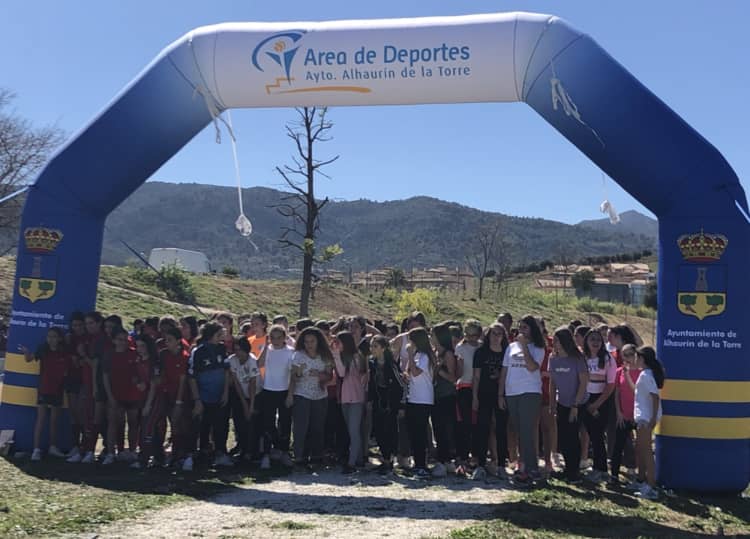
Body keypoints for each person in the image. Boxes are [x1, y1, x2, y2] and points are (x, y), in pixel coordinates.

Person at [499, 315, 546, 484]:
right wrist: (501, 393)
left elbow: (533, 367)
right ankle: (523, 464)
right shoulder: (511, 347)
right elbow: (504, 371)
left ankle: (532, 468)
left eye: (525, 327)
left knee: (527, 430)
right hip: (512, 391)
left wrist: (525, 347)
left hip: (530, 391)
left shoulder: (538, 347)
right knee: (518, 430)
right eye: (520, 327)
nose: (521, 331)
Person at [141, 327, 190, 469]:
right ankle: (158, 455)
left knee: (177, 424)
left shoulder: (184, 356)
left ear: (178, 341)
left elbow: (182, 381)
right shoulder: (163, 354)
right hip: (164, 394)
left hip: (179, 396)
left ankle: (178, 455)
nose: (166, 343)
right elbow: (159, 374)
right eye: (165, 340)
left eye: (169, 340)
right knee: (158, 423)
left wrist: (179, 402)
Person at [187, 321, 232, 468]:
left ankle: (220, 453)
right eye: (219, 334)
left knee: (221, 425)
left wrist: (226, 392)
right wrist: (197, 399)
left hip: (220, 396)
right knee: (203, 426)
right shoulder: (198, 351)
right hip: (204, 396)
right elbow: (192, 376)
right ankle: (202, 454)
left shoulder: (221, 348)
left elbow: (226, 371)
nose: (222, 336)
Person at [288, 327, 334, 468]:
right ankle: (299, 457)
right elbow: (293, 377)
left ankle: (316, 456)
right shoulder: (298, 355)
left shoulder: (325, 356)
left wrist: (320, 375)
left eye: (312, 341)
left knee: (317, 427)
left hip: (320, 395)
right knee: (301, 427)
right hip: (302, 394)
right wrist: (298, 374)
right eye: (306, 341)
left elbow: (330, 376)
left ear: (318, 341)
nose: (309, 344)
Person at [548, 327, 588, 483]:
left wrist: (575, 406)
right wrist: (552, 403)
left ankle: (574, 472)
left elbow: (583, 382)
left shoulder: (577, 358)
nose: (554, 343)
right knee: (563, 438)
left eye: (557, 340)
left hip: (578, 403)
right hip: (562, 402)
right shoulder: (553, 359)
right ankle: (568, 469)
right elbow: (552, 382)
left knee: (572, 437)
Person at [22, 327, 69, 461]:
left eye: (54, 336)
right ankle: (36, 449)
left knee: (54, 420)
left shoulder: (63, 352)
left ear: (60, 338)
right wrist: (26, 353)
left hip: (58, 389)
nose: (51, 339)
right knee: (41, 419)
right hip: (44, 388)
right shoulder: (43, 349)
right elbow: (29, 359)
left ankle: (52, 447)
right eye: (49, 336)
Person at [471, 323, 509, 480]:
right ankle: (481, 465)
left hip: (502, 395)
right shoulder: (481, 352)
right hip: (484, 394)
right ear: (488, 335)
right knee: (483, 428)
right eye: (494, 333)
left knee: (501, 429)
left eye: (500, 334)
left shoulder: (507, 352)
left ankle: (501, 465)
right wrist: (475, 397)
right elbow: (476, 376)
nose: (497, 336)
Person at [101, 328, 142, 465]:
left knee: (133, 423)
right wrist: (110, 396)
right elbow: (105, 377)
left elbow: (139, 373)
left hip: (132, 395)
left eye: (125, 339)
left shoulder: (134, 354)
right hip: (115, 395)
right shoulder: (109, 355)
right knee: (113, 423)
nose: (123, 342)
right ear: (114, 340)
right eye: (119, 339)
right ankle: (111, 453)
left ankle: (131, 451)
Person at [256, 324, 295, 469]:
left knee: (285, 422)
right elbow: (259, 363)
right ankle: (267, 453)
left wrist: (290, 394)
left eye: (279, 337)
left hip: (284, 390)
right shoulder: (267, 350)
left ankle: (284, 452)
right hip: (268, 390)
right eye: (273, 337)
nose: (276, 340)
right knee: (268, 423)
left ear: (285, 338)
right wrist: (266, 346)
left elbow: (292, 375)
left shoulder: (290, 352)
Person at [628, 346, 664, 500]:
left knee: (647, 451)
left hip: (646, 417)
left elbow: (655, 397)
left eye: (636, 357)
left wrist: (653, 418)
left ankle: (651, 486)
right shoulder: (644, 375)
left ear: (642, 359)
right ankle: (641, 479)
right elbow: (637, 392)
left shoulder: (646, 375)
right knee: (641, 449)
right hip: (642, 416)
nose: (634, 360)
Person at [581, 328, 617, 482]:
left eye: (598, 340)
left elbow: (610, 385)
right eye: (592, 339)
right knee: (591, 433)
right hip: (585, 398)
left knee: (597, 435)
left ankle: (600, 469)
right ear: (586, 342)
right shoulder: (582, 358)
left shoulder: (608, 359)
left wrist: (597, 404)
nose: (595, 342)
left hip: (602, 400)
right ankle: (597, 467)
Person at [368, 335, 406, 474]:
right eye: (371, 346)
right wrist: (370, 400)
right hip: (378, 401)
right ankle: (384, 459)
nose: (372, 349)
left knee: (389, 431)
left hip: (391, 401)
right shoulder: (372, 363)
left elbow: (401, 384)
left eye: (375, 346)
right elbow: (371, 384)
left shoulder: (391, 364)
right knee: (378, 430)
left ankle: (389, 460)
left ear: (383, 348)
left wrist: (402, 405)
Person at [332, 331, 368, 474]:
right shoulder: (341, 356)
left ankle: (352, 462)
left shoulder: (356, 356)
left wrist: (335, 354)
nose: (336, 345)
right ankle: (358, 459)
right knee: (351, 430)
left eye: (338, 342)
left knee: (354, 430)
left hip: (356, 398)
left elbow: (342, 372)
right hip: (345, 397)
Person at [404, 327, 435, 479]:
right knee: (413, 433)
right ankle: (417, 463)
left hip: (423, 399)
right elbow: (408, 373)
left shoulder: (425, 356)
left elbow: (416, 372)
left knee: (420, 433)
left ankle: (422, 465)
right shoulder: (416, 355)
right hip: (413, 397)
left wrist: (409, 354)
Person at [610, 343, 640, 485]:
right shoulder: (619, 371)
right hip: (623, 415)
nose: (627, 358)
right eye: (624, 355)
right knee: (618, 446)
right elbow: (617, 393)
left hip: (638, 416)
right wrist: (618, 412)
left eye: (630, 354)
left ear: (636, 354)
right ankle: (614, 475)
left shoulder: (642, 372)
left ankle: (641, 476)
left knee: (640, 446)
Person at [454, 319, 482, 473]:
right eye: (468, 334)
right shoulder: (461, 347)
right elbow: (459, 370)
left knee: (476, 424)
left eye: (474, 334)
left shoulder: (482, 347)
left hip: (478, 387)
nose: (471, 338)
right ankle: (463, 456)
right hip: (464, 386)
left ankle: (476, 456)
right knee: (464, 423)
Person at [431, 322, 458, 477]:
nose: (431, 338)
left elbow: (453, 377)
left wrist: (439, 370)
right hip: (435, 394)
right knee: (437, 427)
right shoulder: (434, 352)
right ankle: (443, 460)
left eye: (433, 335)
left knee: (445, 428)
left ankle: (445, 460)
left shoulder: (448, 353)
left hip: (446, 394)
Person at [228, 337, 259, 461]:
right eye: (235, 350)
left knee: (253, 423)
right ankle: (243, 449)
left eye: (240, 350)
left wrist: (250, 406)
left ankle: (253, 451)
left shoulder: (252, 360)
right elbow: (236, 382)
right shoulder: (232, 360)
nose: (238, 353)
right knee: (240, 422)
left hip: (255, 394)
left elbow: (253, 383)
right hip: (241, 394)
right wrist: (244, 404)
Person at [64, 312, 87, 459]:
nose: (77, 328)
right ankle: (74, 446)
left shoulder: (87, 339)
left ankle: (85, 445)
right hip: (71, 378)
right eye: (74, 325)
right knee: (73, 413)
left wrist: (80, 359)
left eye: (79, 325)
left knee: (82, 413)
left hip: (84, 379)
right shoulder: (69, 338)